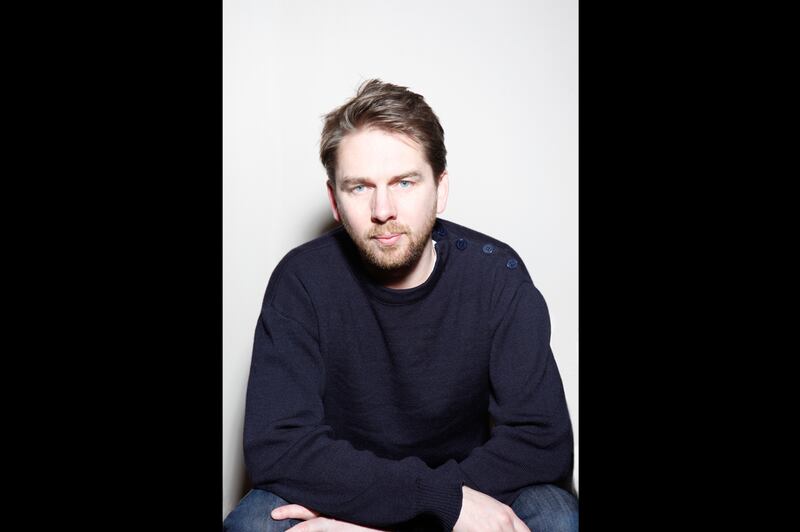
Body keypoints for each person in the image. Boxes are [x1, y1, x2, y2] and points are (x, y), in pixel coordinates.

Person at [223, 79, 578, 532]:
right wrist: (429, 502)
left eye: (404, 182)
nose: (383, 210)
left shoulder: (497, 276)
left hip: (473, 486)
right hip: (345, 486)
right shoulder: (301, 280)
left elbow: (542, 441)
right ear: (334, 200)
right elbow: (278, 445)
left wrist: (423, 510)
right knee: (254, 523)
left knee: (557, 515)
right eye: (359, 187)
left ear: (440, 189)